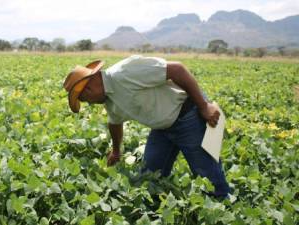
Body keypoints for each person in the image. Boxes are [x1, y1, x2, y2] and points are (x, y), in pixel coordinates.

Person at [63, 55, 230, 198]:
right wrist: (116, 151)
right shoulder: (109, 98)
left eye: (85, 99)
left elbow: (177, 69)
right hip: (162, 129)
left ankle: (221, 206)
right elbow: (114, 122)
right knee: (149, 177)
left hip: (188, 116)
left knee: (209, 179)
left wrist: (203, 106)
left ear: (90, 87)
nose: (89, 103)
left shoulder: (124, 73)